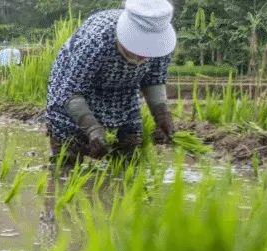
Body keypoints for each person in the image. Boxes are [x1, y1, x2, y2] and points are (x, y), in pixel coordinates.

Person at [45, 0, 177, 169]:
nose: (143, 57)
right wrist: (92, 128)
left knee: (129, 156)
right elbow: (71, 92)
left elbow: (154, 79)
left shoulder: (161, 46)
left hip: (124, 94)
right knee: (66, 157)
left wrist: (162, 114)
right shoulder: (96, 38)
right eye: (139, 48)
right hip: (75, 95)